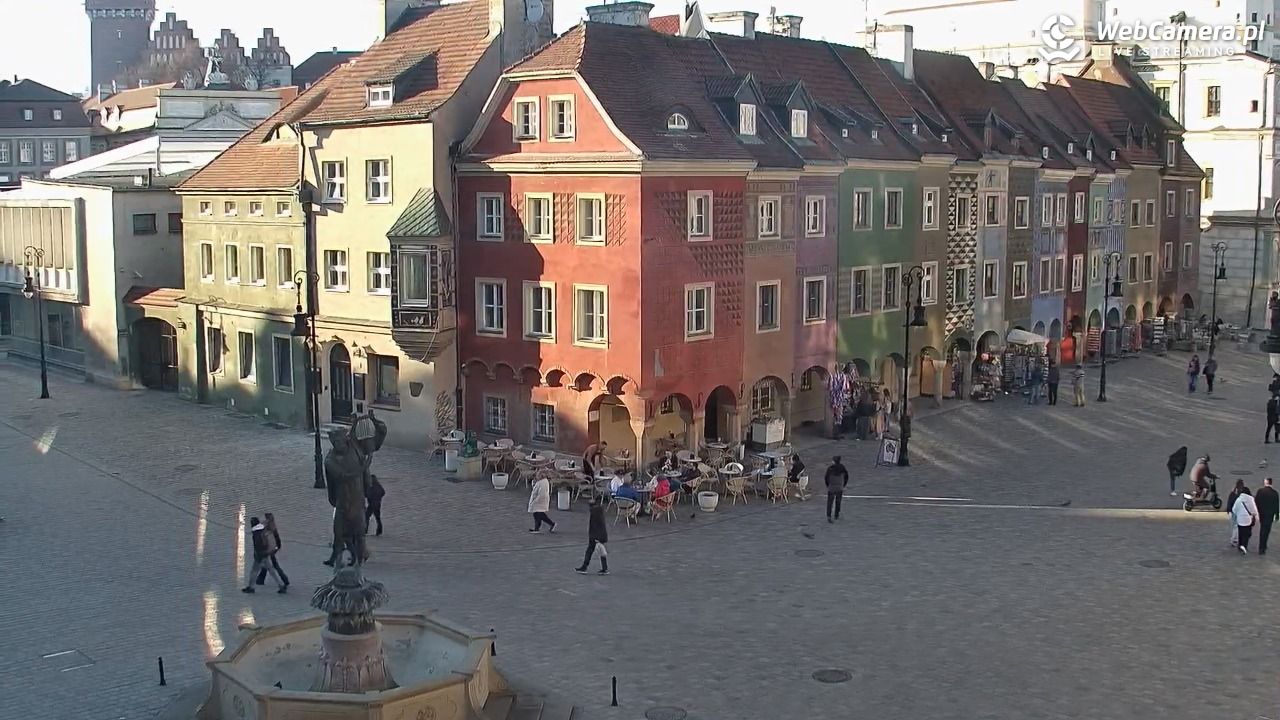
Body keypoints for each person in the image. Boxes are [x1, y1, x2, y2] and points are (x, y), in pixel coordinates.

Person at [243, 517, 286, 594]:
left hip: (260, 555)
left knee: (254, 571)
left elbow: (258, 546)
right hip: (265, 553)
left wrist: (258, 556)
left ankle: (251, 587)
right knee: (271, 570)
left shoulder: (256, 533)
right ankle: (281, 585)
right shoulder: (262, 530)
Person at [254, 512, 290, 588]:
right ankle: (261, 579)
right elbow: (277, 538)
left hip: (268, 549)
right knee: (267, 563)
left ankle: (284, 580)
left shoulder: (266, 526)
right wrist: (277, 547)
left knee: (272, 564)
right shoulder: (272, 525)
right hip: (271, 549)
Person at [575, 498, 610, 575]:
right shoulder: (599, 511)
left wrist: (596, 538)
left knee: (592, 551)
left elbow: (595, 526)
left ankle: (585, 567)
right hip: (598, 536)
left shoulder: (594, 513)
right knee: (599, 551)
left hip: (596, 536)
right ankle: (604, 568)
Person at [1232, 485, 1260, 555]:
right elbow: (1254, 510)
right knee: (1246, 534)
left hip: (1240, 520)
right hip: (1248, 520)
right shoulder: (1251, 499)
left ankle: (1240, 545)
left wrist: (1238, 514)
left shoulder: (1238, 500)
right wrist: (1255, 516)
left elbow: (1234, 509)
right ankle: (1244, 546)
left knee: (1240, 533)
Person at [1256, 478, 1279, 555]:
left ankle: (1261, 547)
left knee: (1262, 530)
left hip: (1262, 514)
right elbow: (1276, 505)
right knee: (1267, 530)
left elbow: (1256, 501)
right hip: (1270, 515)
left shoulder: (1260, 491)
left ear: (1266, 482)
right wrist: (1277, 515)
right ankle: (1264, 545)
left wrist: (1257, 511)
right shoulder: (1275, 493)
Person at [824, 456, 849, 524]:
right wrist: (843, 485)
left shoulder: (830, 468)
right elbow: (846, 476)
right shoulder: (842, 467)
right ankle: (836, 515)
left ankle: (829, 516)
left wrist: (828, 485)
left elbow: (826, 478)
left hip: (831, 487)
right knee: (838, 502)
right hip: (839, 487)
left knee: (830, 502)